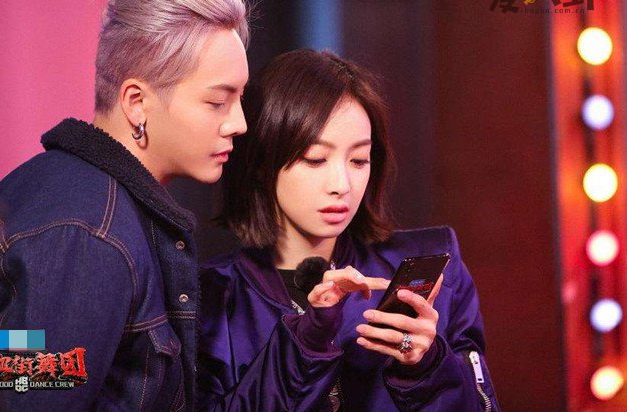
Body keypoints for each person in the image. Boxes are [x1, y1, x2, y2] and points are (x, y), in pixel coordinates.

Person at [0, 0, 249, 410]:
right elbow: (28, 387)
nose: (239, 123)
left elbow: (17, 356)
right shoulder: (86, 239)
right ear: (136, 102)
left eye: (240, 98)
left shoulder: (85, 208)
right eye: (218, 101)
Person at [198, 49, 499, 411]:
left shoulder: (433, 269)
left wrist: (427, 366)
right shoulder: (212, 296)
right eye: (315, 159)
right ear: (262, 164)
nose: (341, 184)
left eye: (358, 160)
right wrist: (308, 340)